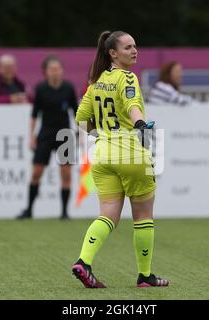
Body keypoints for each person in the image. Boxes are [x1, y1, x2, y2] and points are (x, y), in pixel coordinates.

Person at [71, 31, 169, 288]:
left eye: (135, 46)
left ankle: (84, 262)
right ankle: (145, 276)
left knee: (108, 217)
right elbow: (131, 103)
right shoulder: (128, 77)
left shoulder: (96, 81)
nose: (134, 51)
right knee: (143, 216)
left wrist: (101, 135)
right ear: (112, 53)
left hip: (103, 156)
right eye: (127, 47)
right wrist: (139, 123)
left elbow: (81, 119)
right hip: (130, 154)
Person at [17, 55, 78, 220]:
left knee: (66, 174)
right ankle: (29, 210)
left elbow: (77, 112)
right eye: (52, 69)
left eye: (58, 69)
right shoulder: (41, 89)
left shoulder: (68, 88)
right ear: (46, 72)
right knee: (36, 172)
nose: (55, 72)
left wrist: (80, 133)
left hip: (65, 135)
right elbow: (34, 114)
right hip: (45, 134)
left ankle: (64, 212)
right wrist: (32, 136)